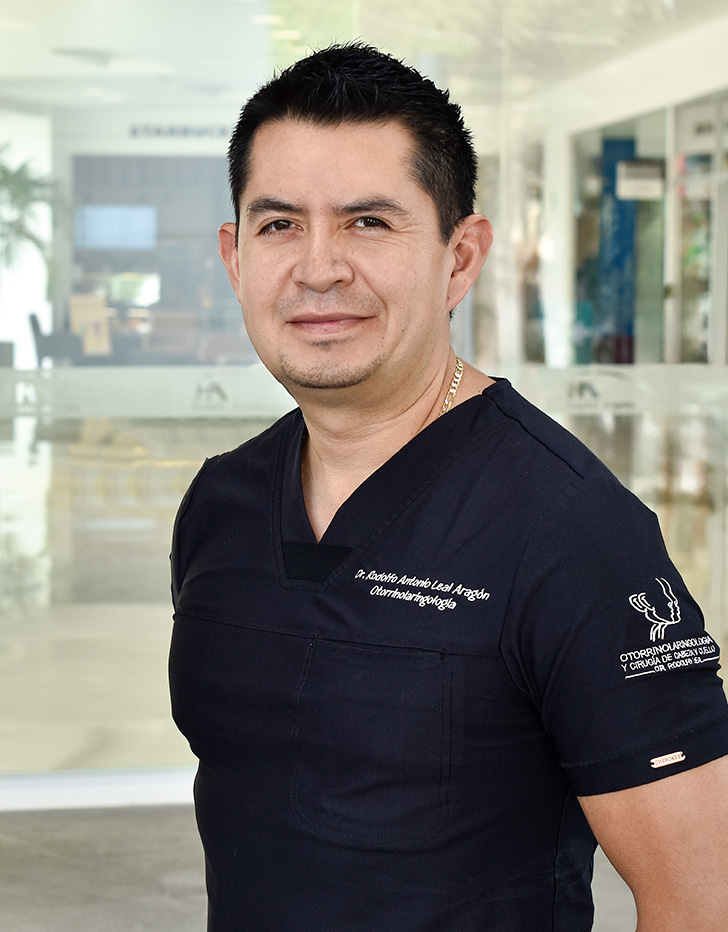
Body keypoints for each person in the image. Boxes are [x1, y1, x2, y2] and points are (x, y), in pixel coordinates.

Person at [169, 43, 728, 931]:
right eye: (280, 225)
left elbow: (703, 899)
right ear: (236, 258)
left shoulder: (572, 533)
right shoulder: (221, 505)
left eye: (368, 223)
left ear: (460, 257)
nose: (318, 268)